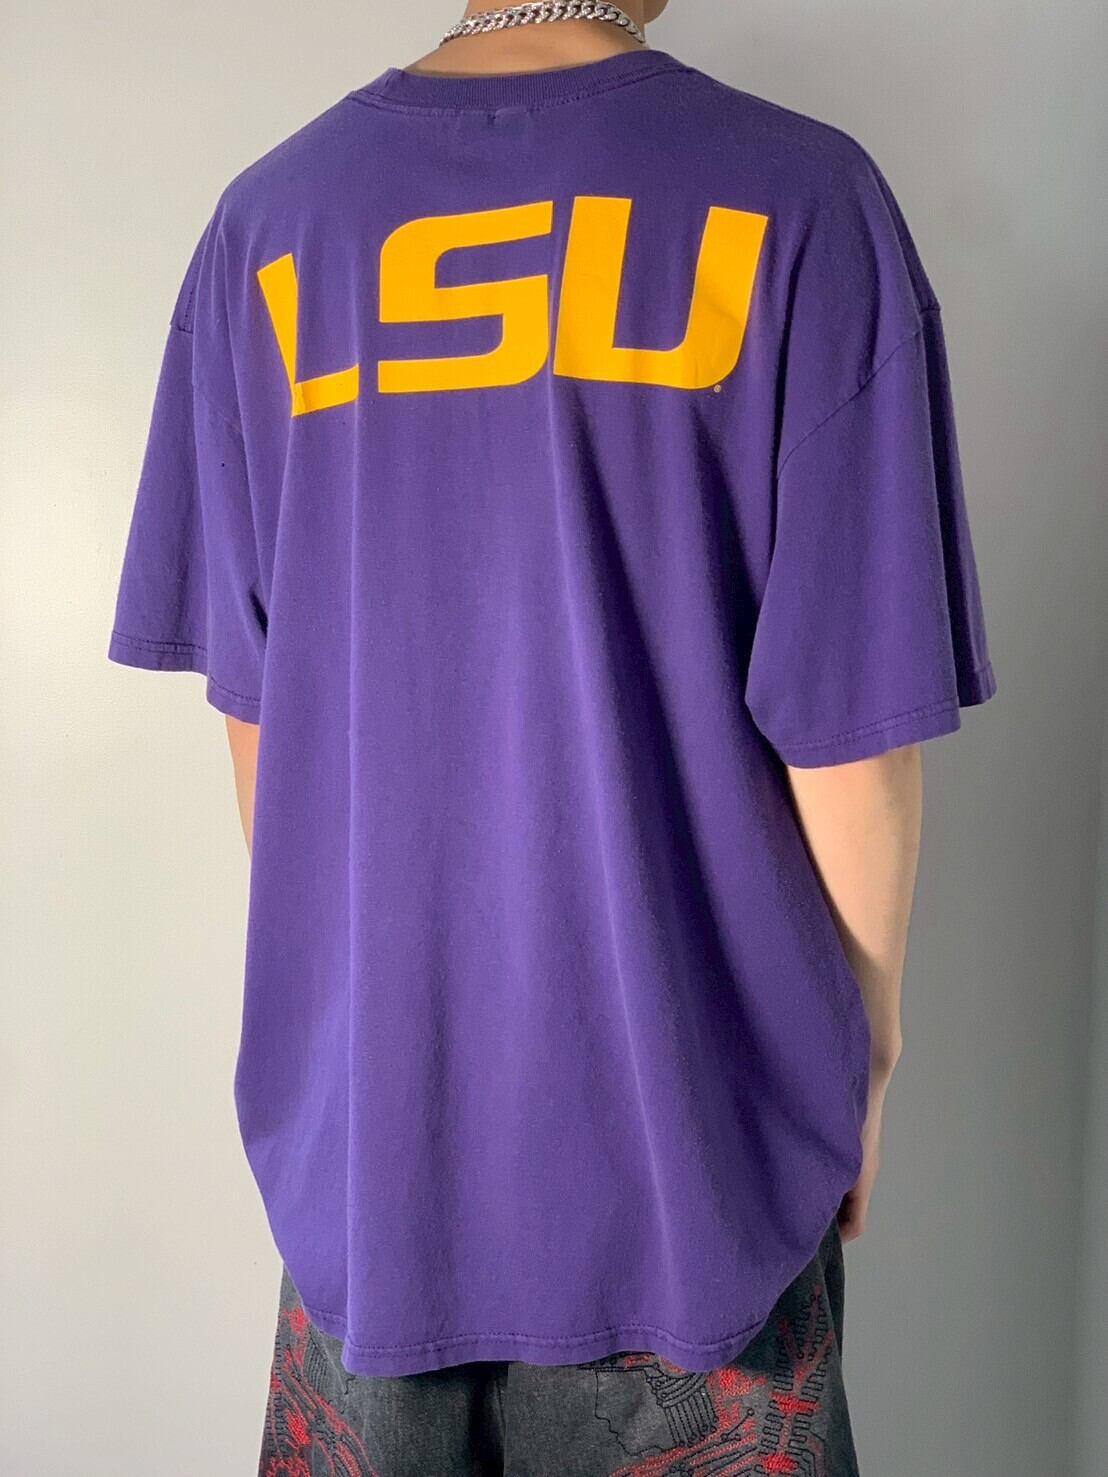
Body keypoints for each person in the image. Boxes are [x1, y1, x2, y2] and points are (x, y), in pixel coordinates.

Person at [106, 2, 997, 1472]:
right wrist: (872, 1051)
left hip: (377, 1169)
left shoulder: (270, 225)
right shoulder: (802, 198)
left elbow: (266, 729)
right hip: (695, 1169)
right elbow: (851, 731)